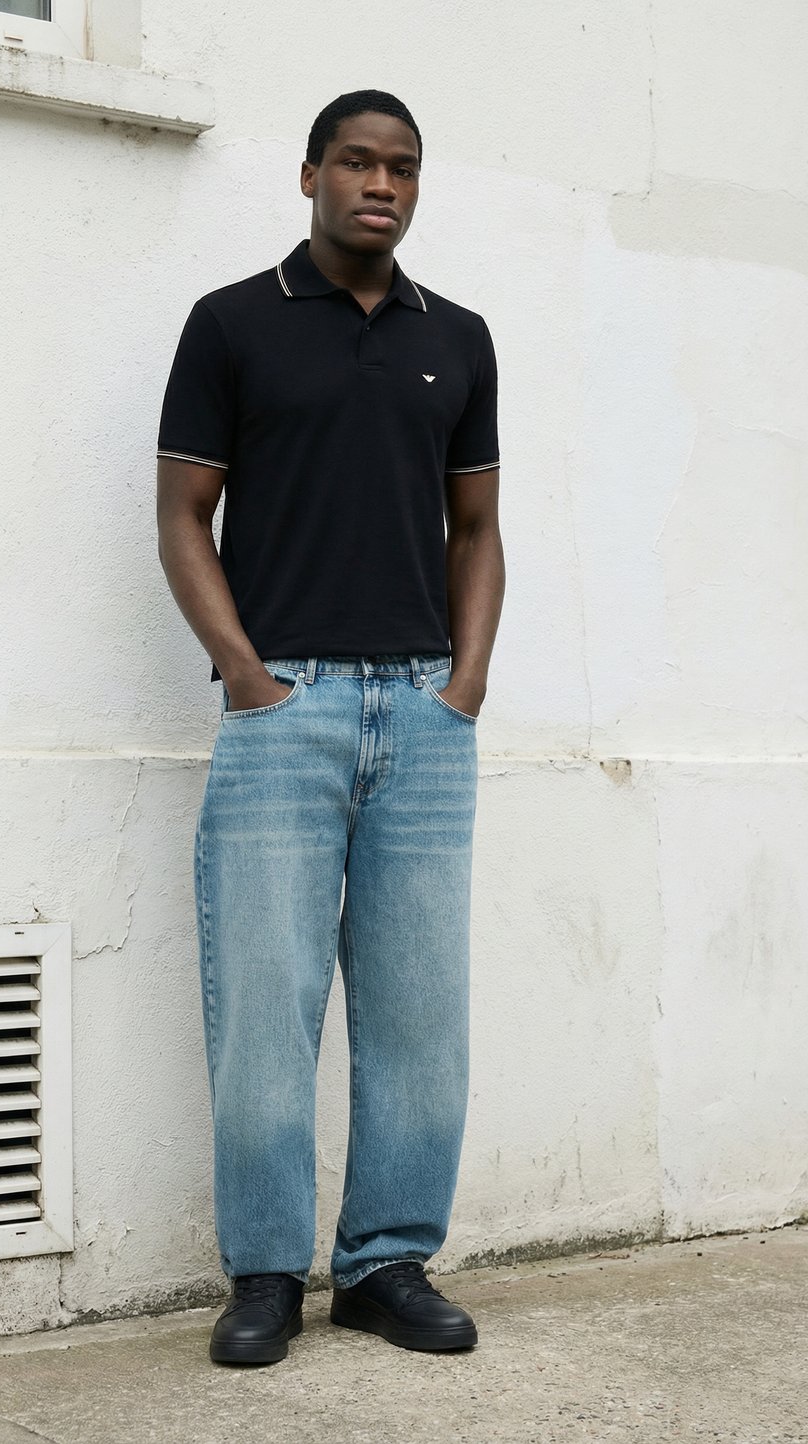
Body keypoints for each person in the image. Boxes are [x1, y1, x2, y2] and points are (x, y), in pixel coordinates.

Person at [157, 89, 503, 1366]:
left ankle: (385, 1265)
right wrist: (246, 675)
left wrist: (464, 684)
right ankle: (263, 1275)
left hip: (422, 710)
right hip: (283, 709)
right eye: (357, 161)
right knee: (264, 1005)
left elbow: (478, 528)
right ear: (310, 175)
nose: (380, 183)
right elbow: (183, 514)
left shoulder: (457, 337)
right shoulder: (233, 323)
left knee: (418, 1012)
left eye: (401, 166)